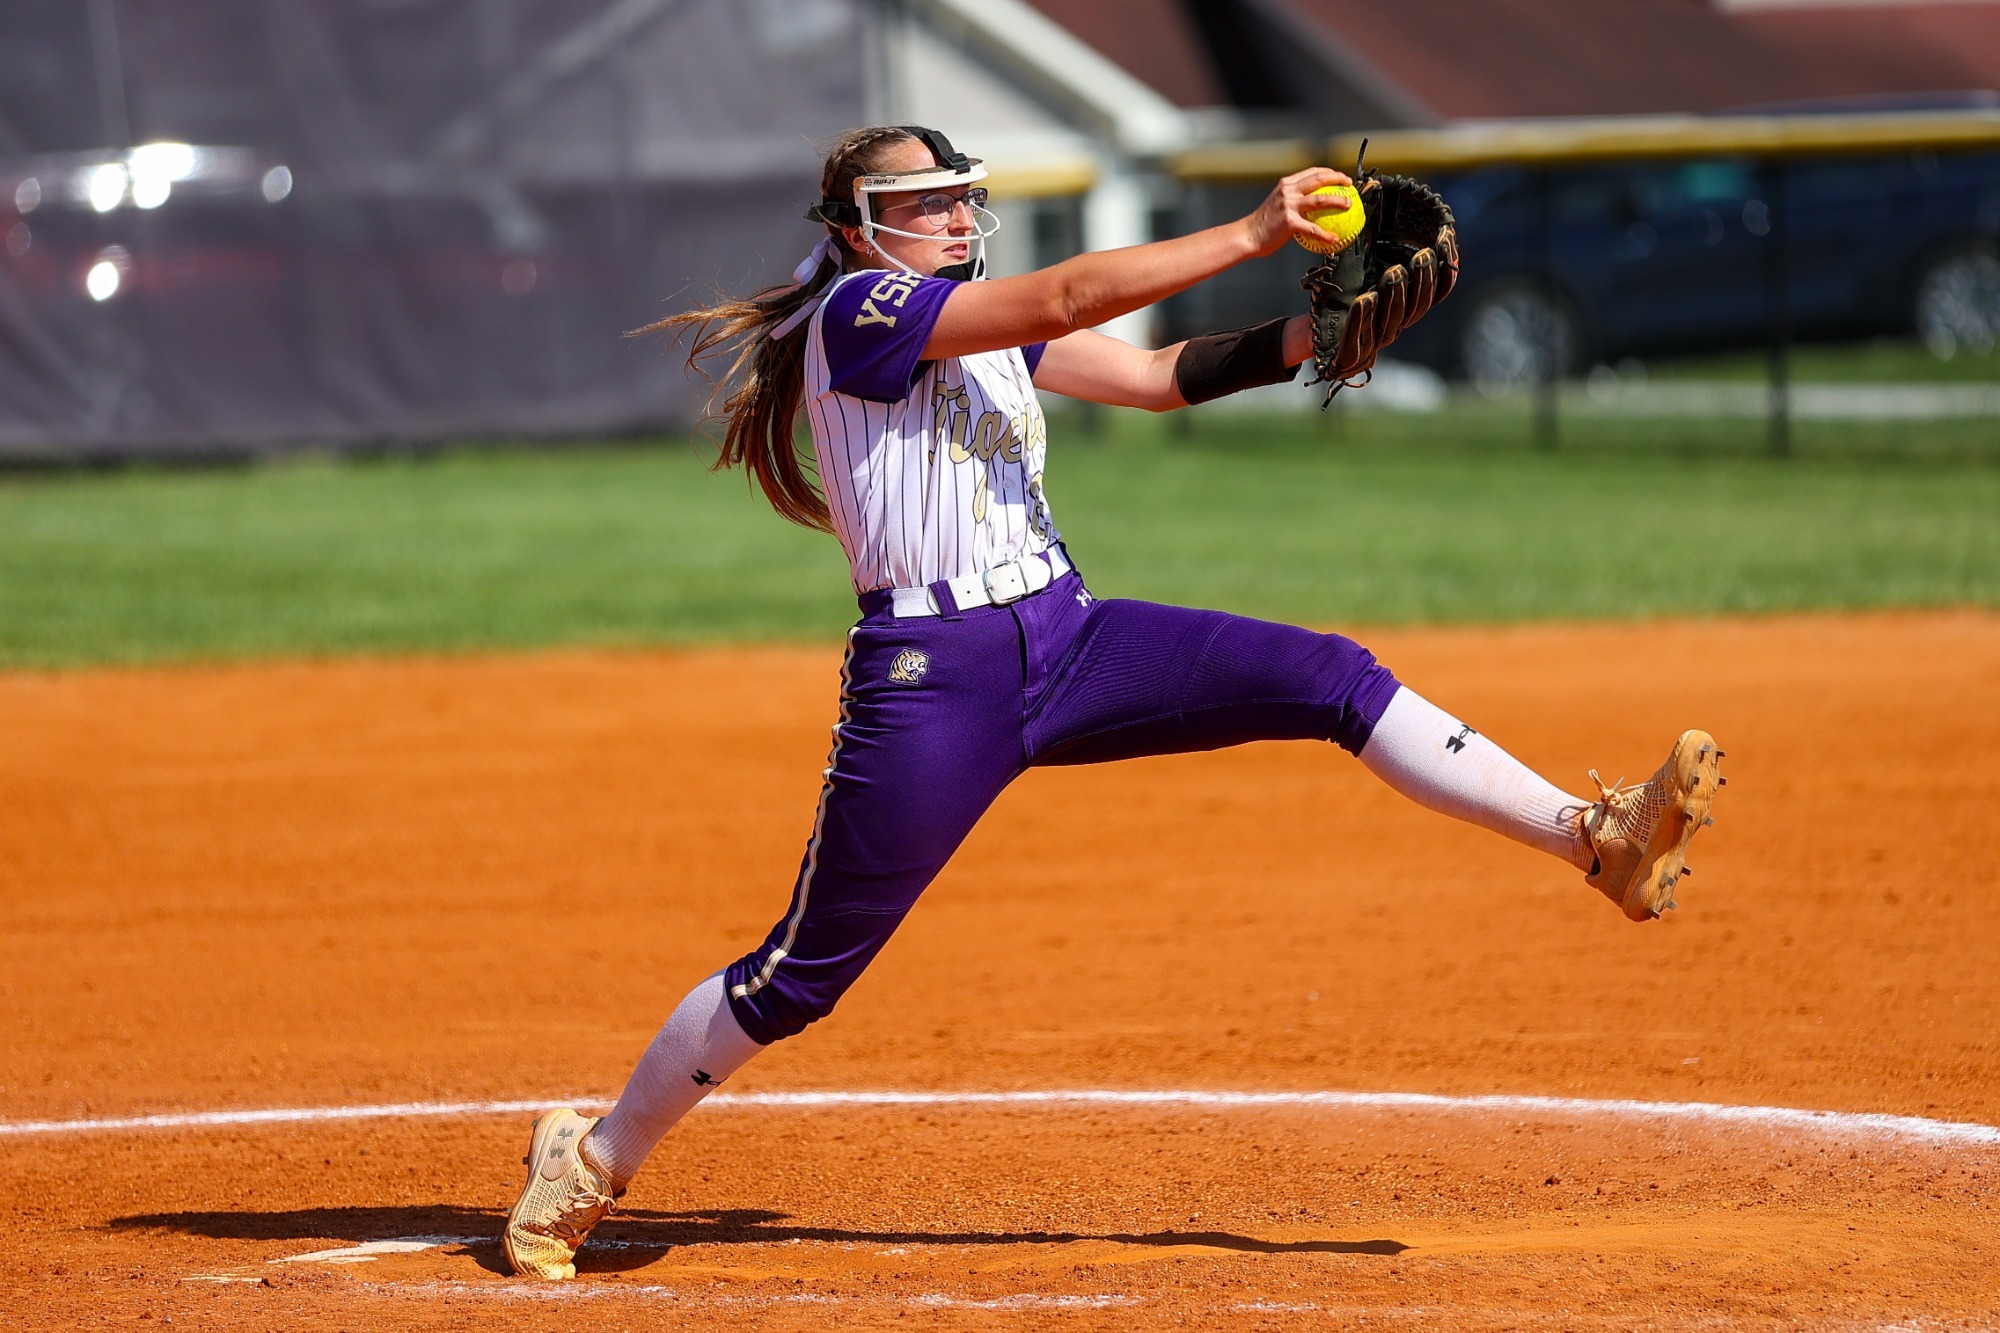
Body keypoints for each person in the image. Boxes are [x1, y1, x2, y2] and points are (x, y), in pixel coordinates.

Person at [501, 125, 1725, 1281]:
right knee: (799, 977)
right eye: (914, 203)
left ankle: (1594, 837)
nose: (946, 216)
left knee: (1329, 678)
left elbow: (1146, 374)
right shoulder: (859, 310)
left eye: (952, 195)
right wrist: (1253, 233)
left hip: (1068, 635)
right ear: (855, 228)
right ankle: (595, 1157)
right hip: (932, 684)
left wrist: (1309, 343)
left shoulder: (958, 324)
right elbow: (1070, 299)